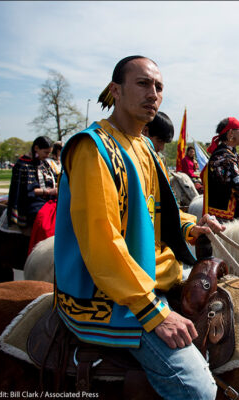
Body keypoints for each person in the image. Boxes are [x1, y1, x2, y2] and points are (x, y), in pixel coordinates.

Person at [54, 55, 223, 400]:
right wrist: (154, 313)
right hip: (111, 295)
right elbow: (103, 239)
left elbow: (154, 213)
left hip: (155, 273)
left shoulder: (144, 145)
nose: (154, 94)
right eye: (143, 84)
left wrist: (192, 227)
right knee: (199, 391)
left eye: (159, 87)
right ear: (116, 90)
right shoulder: (93, 147)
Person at [7, 136, 57, 229]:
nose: (47, 156)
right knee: (45, 218)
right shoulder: (22, 164)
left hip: (47, 199)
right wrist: (49, 191)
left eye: (49, 153)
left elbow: (51, 181)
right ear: (36, 148)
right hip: (30, 202)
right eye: (46, 152)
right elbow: (25, 191)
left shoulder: (44, 163)